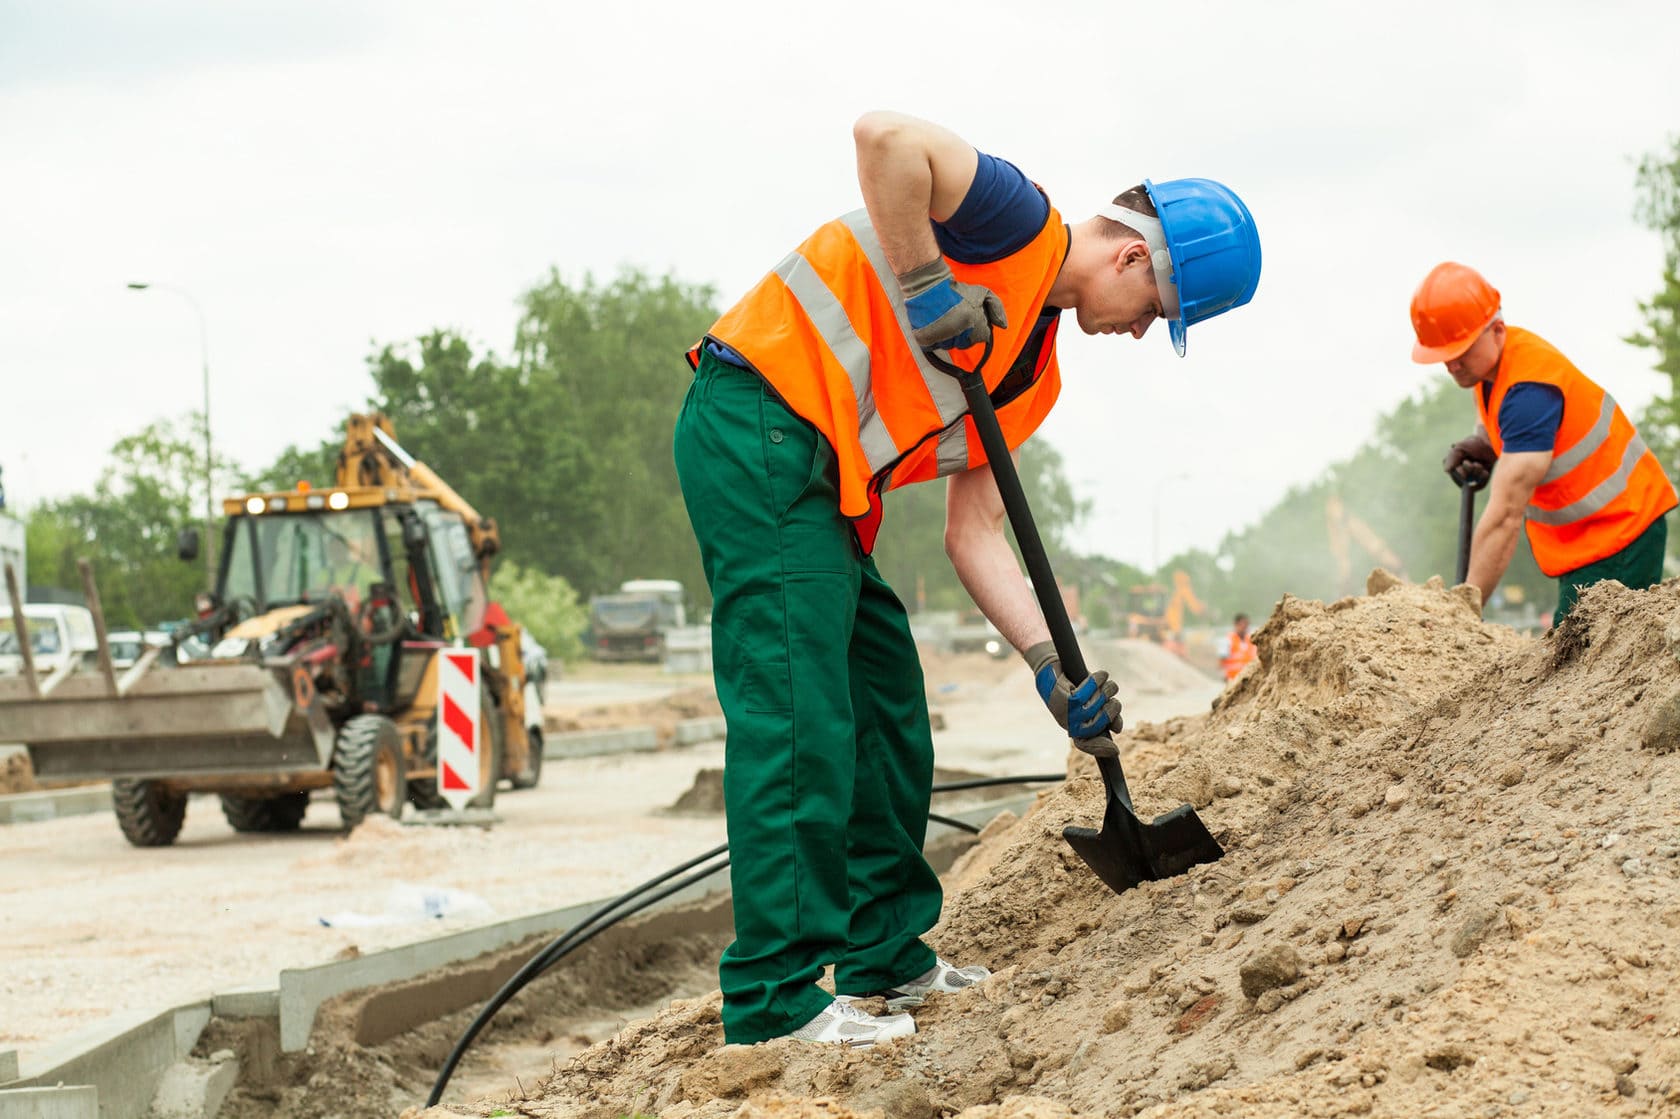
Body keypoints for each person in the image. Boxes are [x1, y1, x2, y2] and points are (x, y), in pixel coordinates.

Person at [673, 111, 1261, 1047]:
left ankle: (886, 955)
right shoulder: (1013, 220)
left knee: (891, 709)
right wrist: (924, 285)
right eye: (1159, 313)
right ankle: (774, 999)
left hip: (820, 479)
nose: (1146, 334)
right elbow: (883, 139)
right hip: (757, 417)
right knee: (801, 710)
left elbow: (977, 531)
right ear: (1132, 262)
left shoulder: (1035, 374)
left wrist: (1048, 668)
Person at [1411, 262, 1677, 620]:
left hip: (1621, 532)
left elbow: (1505, 515)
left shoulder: (1529, 392)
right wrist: (1485, 443)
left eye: (1460, 351)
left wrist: (1463, 612)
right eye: (1444, 355)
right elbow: (1495, 417)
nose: (1452, 365)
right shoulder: (1488, 369)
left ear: (1497, 330)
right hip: (1589, 538)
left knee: (1580, 664)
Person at [1219, 613, 1256, 680]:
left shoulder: (1251, 640)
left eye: (1246, 625)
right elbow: (1221, 661)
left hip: (1247, 679)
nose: (1245, 628)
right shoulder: (1228, 640)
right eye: (1242, 625)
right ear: (1236, 625)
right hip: (1232, 679)